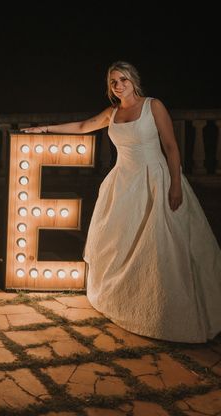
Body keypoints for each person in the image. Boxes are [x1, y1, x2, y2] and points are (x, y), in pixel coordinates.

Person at [23, 61, 221, 343]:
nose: (118, 85)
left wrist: (175, 185)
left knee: (159, 245)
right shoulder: (112, 113)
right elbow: (82, 126)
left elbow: (171, 147)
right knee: (117, 242)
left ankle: (167, 312)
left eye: (123, 80)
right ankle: (124, 298)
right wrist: (44, 130)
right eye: (113, 81)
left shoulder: (153, 106)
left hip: (155, 179)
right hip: (122, 185)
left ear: (134, 81)